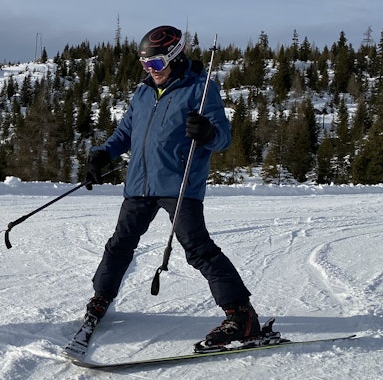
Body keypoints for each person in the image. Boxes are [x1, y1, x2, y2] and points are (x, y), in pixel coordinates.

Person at [83, 25, 260, 347]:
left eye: (157, 64)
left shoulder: (201, 89)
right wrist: (100, 155)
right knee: (120, 244)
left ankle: (241, 315)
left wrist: (207, 133)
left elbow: (223, 138)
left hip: (180, 184)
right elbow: (124, 134)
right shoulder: (143, 92)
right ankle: (101, 297)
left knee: (198, 249)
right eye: (146, 65)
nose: (151, 71)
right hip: (139, 184)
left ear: (175, 57)